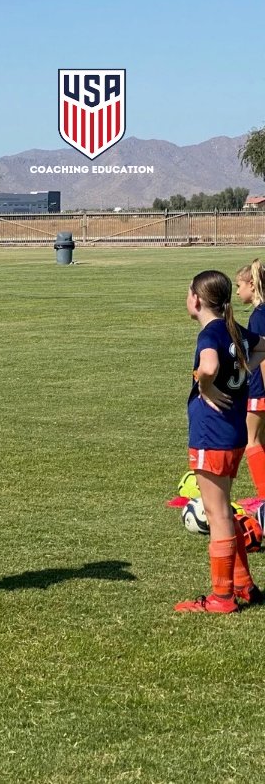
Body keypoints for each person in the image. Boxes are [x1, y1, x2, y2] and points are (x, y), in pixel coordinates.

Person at [176, 270, 265, 612]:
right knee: (223, 509)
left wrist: (206, 386)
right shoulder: (233, 329)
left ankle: (222, 597)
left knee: (217, 515)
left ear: (196, 300)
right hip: (232, 433)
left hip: (212, 432)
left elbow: (209, 366)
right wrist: (239, 372)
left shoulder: (211, 334)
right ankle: (244, 586)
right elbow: (262, 347)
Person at [236, 259, 265, 496]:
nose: (237, 291)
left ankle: (263, 496)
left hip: (260, 390)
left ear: (252, 285)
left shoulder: (259, 316)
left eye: (239, 285)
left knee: (252, 440)